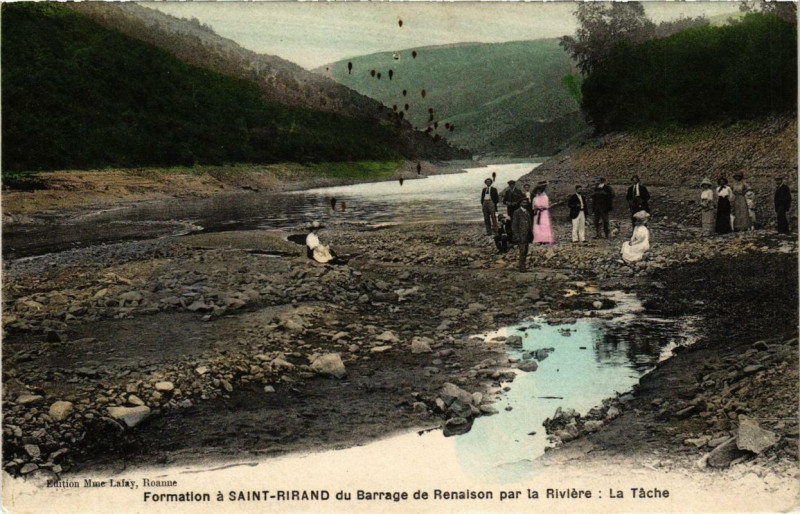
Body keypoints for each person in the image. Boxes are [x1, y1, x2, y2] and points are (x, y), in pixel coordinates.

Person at [511, 202, 533, 271]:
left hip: (527, 235)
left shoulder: (527, 212)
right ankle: (521, 266)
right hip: (521, 235)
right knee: (522, 251)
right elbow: (514, 225)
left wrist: (532, 233)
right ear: (520, 204)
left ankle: (523, 265)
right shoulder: (517, 212)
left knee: (526, 250)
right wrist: (516, 235)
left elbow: (530, 224)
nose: (525, 204)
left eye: (526, 203)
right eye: (523, 202)